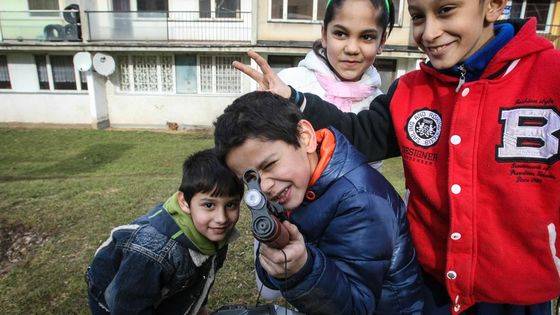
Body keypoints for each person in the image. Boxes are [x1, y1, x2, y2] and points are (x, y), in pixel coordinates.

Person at [231, 0, 560, 313]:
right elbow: (359, 134)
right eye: (418, 16)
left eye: (445, 10)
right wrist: (293, 98)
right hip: (430, 286)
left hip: (518, 295)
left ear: (493, 5)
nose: (429, 32)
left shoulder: (550, 76)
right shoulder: (409, 91)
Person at [213, 91, 423, 315]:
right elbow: (273, 277)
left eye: (270, 164)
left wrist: (301, 269)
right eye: (251, 179)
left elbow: (356, 308)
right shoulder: (291, 187)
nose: (264, 187)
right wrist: (277, 255)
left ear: (305, 137)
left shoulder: (362, 201)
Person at [85, 149, 244, 315]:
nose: (222, 219)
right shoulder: (153, 253)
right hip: (112, 299)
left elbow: (203, 277)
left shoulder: (214, 233)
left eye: (231, 205)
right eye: (209, 205)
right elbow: (124, 306)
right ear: (184, 202)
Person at [278, 0, 395, 171]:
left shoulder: (379, 109)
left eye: (367, 37)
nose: (352, 48)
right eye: (340, 34)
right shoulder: (289, 85)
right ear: (324, 34)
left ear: (382, 41)